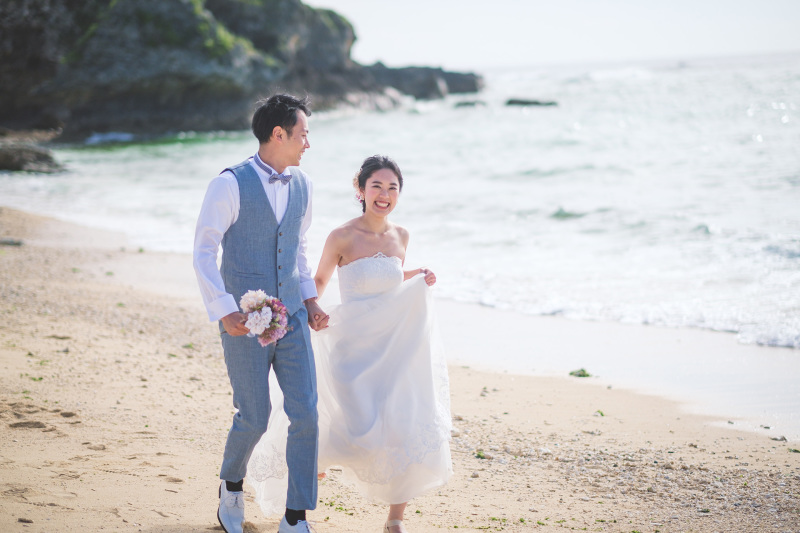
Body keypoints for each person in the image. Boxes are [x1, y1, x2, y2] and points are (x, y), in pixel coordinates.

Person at [247, 155, 452, 533]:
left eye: (392, 188)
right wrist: (312, 308)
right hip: (352, 344)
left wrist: (417, 275)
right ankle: (315, 469)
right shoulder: (342, 235)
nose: (384, 195)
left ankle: (395, 519)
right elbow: (321, 280)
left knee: (403, 421)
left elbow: (388, 278)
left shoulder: (401, 236)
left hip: (394, 345)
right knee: (352, 424)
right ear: (360, 189)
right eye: (377, 186)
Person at [193, 94, 328, 533]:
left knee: (306, 413)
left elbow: (299, 251)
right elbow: (204, 251)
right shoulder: (229, 183)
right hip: (244, 324)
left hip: (292, 317)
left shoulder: (304, 186)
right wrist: (224, 310)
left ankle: (296, 517)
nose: (308, 142)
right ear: (279, 134)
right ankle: (231, 483)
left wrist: (309, 300)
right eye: (303, 133)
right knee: (253, 414)